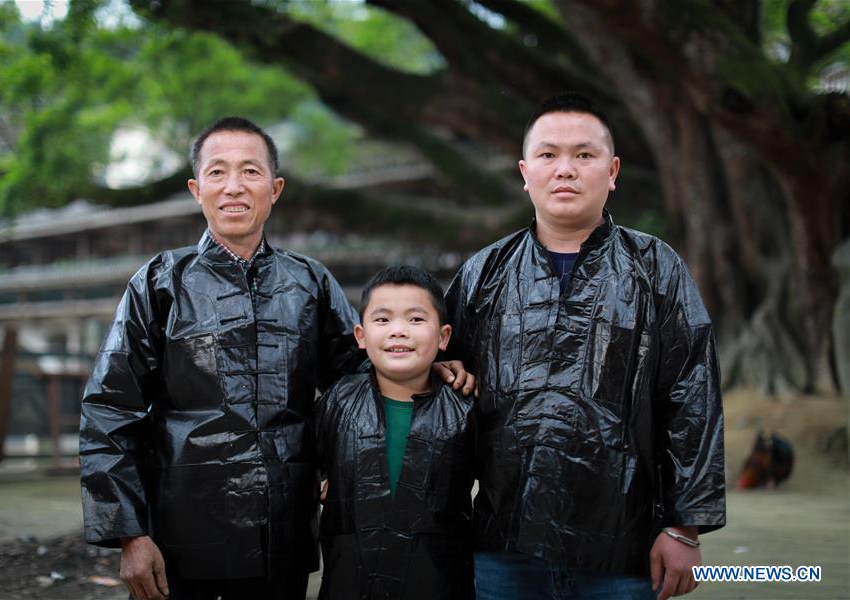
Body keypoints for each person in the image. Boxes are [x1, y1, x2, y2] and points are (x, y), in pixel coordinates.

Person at [79, 117, 473, 600]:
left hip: (284, 530)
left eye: (250, 171)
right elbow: (108, 407)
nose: (234, 187)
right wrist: (130, 534)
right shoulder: (160, 283)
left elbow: (360, 373)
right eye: (218, 172)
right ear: (195, 188)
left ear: (275, 187)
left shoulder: (308, 282)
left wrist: (427, 366)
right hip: (182, 531)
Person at [444, 92, 726, 600]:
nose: (565, 170)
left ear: (612, 171)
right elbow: (436, 380)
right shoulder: (482, 274)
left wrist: (685, 526)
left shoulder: (655, 268)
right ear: (525, 171)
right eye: (549, 155)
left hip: (623, 545)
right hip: (503, 541)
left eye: (584, 155)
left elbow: (692, 397)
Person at [315, 265, 477, 600]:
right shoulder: (338, 403)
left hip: (438, 582)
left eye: (416, 320)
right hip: (349, 581)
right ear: (360, 336)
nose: (398, 331)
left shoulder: (466, 408)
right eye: (383, 319)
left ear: (444, 336)